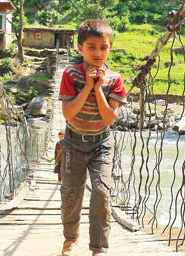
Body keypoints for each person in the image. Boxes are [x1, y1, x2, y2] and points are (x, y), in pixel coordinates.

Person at [58, 19, 127, 256]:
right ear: (80, 48)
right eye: (91, 47)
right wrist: (87, 86)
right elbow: (68, 113)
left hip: (101, 144)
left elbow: (110, 119)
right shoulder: (71, 75)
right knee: (71, 194)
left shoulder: (115, 80)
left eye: (104, 47)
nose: (98, 53)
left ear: (110, 47)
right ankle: (70, 239)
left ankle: (99, 249)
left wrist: (98, 89)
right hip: (73, 142)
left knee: (101, 192)